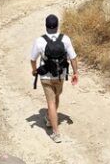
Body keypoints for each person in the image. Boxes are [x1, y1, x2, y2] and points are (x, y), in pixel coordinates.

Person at [30, 13, 78, 142]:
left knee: (50, 102)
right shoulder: (65, 39)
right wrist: (75, 73)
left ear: (46, 26)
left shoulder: (40, 40)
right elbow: (73, 57)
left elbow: (33, 59)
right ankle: (51, 119)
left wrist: (34, 70)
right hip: (60, 75)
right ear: (57, 26)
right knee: (56, 96)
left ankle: (55, 133)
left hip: (45, 77)